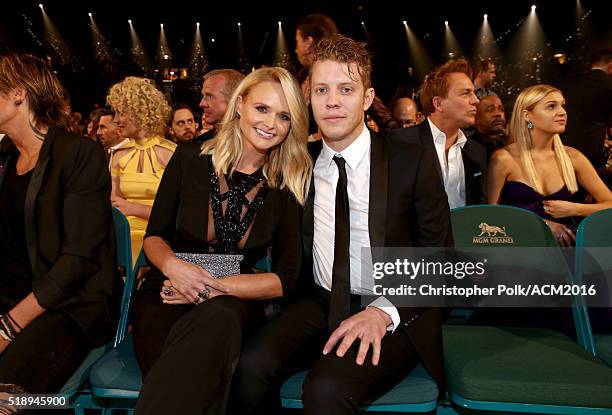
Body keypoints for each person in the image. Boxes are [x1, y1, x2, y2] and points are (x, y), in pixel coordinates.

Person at [232, 34, 452, 415]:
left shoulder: (410, 159)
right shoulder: (298, 164)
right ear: (309, 98)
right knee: (247, 367)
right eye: (321, 90)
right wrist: (194, 274)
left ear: (366, 98)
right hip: (318, 300)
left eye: (345, 89)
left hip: (392, 305)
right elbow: (243, 240)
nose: (332, 101)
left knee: (326, 390)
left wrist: (382, 312)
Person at [133, 66, 312, 414]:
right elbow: (155, 235)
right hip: (168, 286)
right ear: (241, 103)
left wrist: (212, 285)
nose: (271, 124)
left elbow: (286, 279)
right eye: (263, 109)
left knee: (221, 321)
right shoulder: (188, 159)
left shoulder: (286, 184)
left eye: (284, 116)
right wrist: (177, 269)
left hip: (235, 294)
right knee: (187, 362)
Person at [0, 54, 118, 405]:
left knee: (7, 399)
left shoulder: (79, 155)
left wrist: (8, 326)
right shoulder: (4, 156)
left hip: (69, 306)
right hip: (12, 298)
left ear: (19, 94)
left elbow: (78, 260)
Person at [487, 84, 612, 246]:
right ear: (527, 116)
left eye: (562, 105)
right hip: (521, 249)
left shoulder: (573, 157)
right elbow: (492, 215)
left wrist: (575, 209)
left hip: (568, 251)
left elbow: (609, 205)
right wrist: (542, 225)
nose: (562, 112)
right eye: (551, 106)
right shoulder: (503, 159)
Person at [388, 59, 487, 208]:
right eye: (466, 93)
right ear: (438, 103)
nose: (476, 100)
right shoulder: (401, 144)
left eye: (473, 93)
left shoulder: (477, 153)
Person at [106, 77, 177, 262]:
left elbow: (177, 214)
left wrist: (134, 208)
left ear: (139, 112)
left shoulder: (171, 154)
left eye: (120, 112)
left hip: (161, 236)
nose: (115, 120)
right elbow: (115, 204)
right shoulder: (118, 154)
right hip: (124, 235)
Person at [562, 48, 612, 169]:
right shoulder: (609, 84)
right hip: (592, 149)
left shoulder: (571, 82)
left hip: (565, 145)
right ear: (610, 65)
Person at [197, 69, 245, 143]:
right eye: (203, 96)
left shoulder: (262, 146)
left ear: (234, 99)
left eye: (209, 96)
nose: (202, 104)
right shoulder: (191, 151)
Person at [472, 95, 507, 161]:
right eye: (490, 110)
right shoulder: (468, 148)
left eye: (501, 110)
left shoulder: (508, 142)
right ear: (477, 120)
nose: (498, 114)